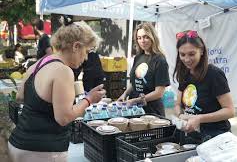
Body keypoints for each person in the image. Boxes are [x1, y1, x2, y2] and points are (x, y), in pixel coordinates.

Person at [8, 17, 106, 162]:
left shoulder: (38, 64)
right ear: (76, 46)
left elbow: (20, 97)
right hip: (43, 151)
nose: (85, 58)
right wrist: (89, 99)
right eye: (86, 51)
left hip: (18, 143)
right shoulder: (63, 71)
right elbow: (63, 118)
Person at [173, 30, 235, 141]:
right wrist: (180, 116)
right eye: (182, 54)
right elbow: (178, 104)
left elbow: (229, 111)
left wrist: (199, 118)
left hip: (215, 137)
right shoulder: (185, 73)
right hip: (192, 136)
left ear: (201, 51)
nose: (186, 59)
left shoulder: (214, 74)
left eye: (191, 54)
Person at [118, 23, 170, 116]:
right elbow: (134, 82)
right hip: (135, 108)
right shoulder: (138, 57)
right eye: (139, 38)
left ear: (152, 37)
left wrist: (136, 100)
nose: (142, 41)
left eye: (146, 37)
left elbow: (159, 93)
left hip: (152, 110)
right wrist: (125, 94)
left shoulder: (160, 60)